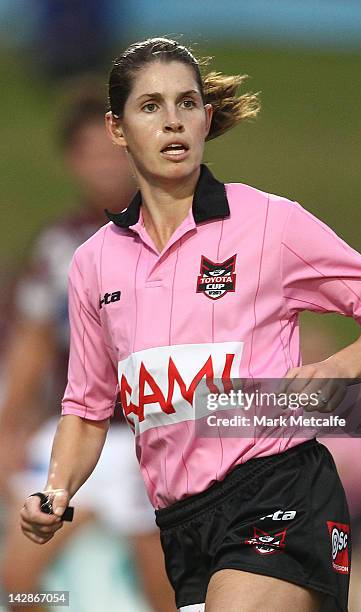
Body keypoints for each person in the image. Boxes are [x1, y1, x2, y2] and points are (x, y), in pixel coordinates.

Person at [19, 38, 361, 612]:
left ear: (207, 119)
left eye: (187, 104)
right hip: (182, 522)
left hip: (280, 487)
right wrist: (56, 491)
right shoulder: (93, 262)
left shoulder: (268, 222)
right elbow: (86, 411)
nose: (172, 123)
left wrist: (336, 368)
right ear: (117, 129)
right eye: (150, 107)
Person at [0, 80, 175, 612]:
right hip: (76, 433)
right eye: (87, 152)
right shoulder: (60, 244)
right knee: (19, 582)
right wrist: (9, 429)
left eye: (109, 150)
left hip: (154, 433)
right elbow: (33, 341)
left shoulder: (179, 233)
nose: (100, 163)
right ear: (71, 160)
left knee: (162, 589)